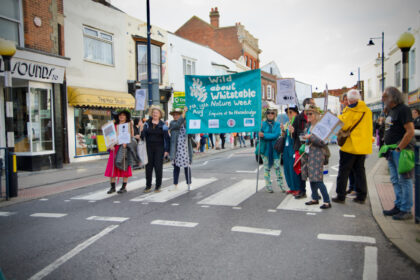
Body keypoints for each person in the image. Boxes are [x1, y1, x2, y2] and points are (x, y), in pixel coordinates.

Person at [332, 89, 372, 204]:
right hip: (362, 147)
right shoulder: (367, 111)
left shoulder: (350, 111)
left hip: (350, 146)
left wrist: (340, 115)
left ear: (349, 100)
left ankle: (340, 195)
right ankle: (361, 196)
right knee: (360, 171)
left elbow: (343, 126)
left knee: (344, 171)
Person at [382, 87, 415, 220]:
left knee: (404, 180)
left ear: (393, 97)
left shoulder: (403, 110)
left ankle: (406, 209)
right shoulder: (391, 111)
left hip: (400, 150)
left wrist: (399, 148)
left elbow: (410, 131)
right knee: (395, 180)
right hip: (391, 149)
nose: (382, 99)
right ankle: (399, 205)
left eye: (385, 96)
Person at [301, 104, 331, 209]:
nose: (308, 115)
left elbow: (323, 142)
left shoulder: (320, 127)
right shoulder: (308, 126)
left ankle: (327, 201)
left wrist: (311, 137)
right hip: (309, 154)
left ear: (316, 115)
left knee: (318, 179)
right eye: (307, 113)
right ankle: (314, 198)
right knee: (311, 178)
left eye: (310, 114)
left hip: (318, 155)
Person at [140, 106, 170, 193]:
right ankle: (148, 186)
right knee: (148, 167)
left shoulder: (163, 125)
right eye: (153, 113)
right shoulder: (147, 124)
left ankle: (158, 186)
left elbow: (167, 138)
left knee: (158, 167)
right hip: (148, 148)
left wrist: (166, 150)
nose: (154, 114)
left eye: (156, 113)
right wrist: (141, 129)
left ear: (160, 114)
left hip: (159, 148)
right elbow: (142, 136)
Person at [105, 109, 134, 194]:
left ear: (126, 117)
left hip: (123, 148)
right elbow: (108, 137)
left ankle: (123, 187)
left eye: (123, 115)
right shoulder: (113, 125)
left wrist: (126, 143)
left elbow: (131, 137)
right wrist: (110, 145)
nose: (121, 116)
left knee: (124, 166)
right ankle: (112, 187)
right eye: (120, 115)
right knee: (112, 167)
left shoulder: (128, 125)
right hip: (114, 148)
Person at [259, 107, 285, 193]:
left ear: (275, 115)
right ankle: (268, 186)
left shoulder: (277, 124)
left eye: (272, 113)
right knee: (266, 169)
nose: (270, 114)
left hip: (275, 150)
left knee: (277, 168)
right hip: (265, 150)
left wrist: (264, 135)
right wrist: (261, 134)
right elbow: (258, 136)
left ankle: (281, 185)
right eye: (268, 113)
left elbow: (275, 135)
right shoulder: (262, 124)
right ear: (266, 115)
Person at [293, 98, 315, 199]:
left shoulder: (315, 116)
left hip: (313, 147)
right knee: (301, 170)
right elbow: (294, 134)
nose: (314, 105)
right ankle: (302, 191)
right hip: (301, 147)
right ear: (307, 106)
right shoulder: (298, 118)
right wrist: (292, 131)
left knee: (313, 170)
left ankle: (315, 192)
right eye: (313, 104)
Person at [169, 107, 192, 190]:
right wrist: (184, 114)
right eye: (174, 115)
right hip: (177, 149)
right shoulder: (172, 123)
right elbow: (178, 124)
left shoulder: (186, 123)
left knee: (187, 167)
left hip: (185, 149)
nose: (175, 116)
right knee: (176, 167)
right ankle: (175, 184)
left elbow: (191, 135)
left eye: (177, 115)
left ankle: (189, 183)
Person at [282, 105, 301, 195]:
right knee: (287, 169)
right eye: (287, 113)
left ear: (296, 113)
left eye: (291, 112)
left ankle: (297, 187)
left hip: (293, 148)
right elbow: (285, 136)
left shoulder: (298, 122)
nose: (289, 114)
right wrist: (283, 131)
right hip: (286, 148)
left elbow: (299, 135)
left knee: (294, 169)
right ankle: (291, 187)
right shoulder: (287, 123)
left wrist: (293, 132)